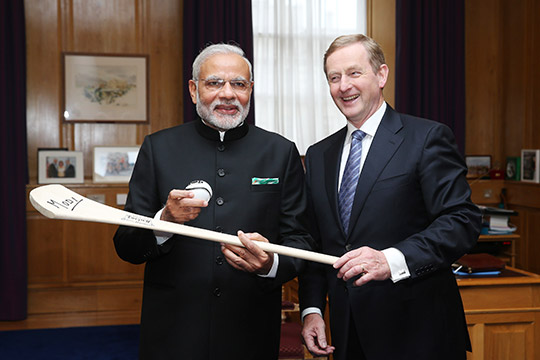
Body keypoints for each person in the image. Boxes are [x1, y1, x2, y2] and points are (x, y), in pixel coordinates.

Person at [113, 43, 314, 360]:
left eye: (239, 84)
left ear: (250, 90)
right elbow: (126, 244)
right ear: (193, 90)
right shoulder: (158, 149)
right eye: (214, 83)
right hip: (174, 328)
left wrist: (270, 264)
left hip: (250, 328)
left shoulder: (280, 152)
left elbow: (302, 239)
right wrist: (164, 221)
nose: (228, 94)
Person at [298, 34, 482, 360]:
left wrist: (389, 260)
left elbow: (461, 221)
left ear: (381, 75)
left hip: (418, 334)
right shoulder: (317, 155)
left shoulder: (426, 138)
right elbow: (316, 243)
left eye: (355, 73)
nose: (344, 86)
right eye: (334, 77)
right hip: (346, 335)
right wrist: (312, 309)